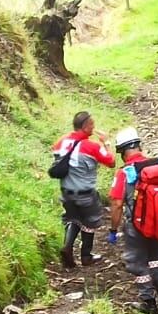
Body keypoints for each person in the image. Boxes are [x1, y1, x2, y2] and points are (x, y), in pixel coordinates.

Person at [108, 128, 158, 314]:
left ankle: (148, 302)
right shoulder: (157, 165)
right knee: (154, 258)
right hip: (157, 222)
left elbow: (117, 203)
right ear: (139, 146)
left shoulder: (124, 173)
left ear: (122, 151)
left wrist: (113, 229)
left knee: (138, 263)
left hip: (136, 226)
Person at [52, 111, 115, 268]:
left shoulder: (61, 141)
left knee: (72, 217)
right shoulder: (91, 146)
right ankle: (86, 256)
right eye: (92, 125)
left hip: (66, 190)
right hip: (85, 192)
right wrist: (106, 142)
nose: (94, 127)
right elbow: (111, 162)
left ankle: (67, 246)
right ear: (86, 127)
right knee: (90, 220)